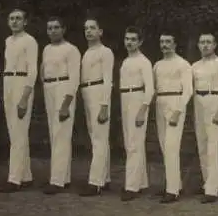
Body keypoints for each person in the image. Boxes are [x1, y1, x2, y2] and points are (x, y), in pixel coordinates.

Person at [0, 9, 39, 193]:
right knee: (14, 130)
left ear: (25, 22)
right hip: (9, 82)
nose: (15, 21)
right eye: (12, 18)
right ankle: (26, 176)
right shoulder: (8, 40)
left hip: (22, 83)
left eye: (18, 18)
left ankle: (14, 179)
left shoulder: (29, 41)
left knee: (19, 130)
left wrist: (25, 97)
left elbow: (33, 71)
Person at [40, 16, 81, 195]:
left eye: (56, 27)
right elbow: (43, 71)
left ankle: (56, 180)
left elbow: (74, 78)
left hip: (64, 88)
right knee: (54, 134)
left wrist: (66, 104)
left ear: (64, 29)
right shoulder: (47, 49)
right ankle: (64, 178)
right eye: (50, 28)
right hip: (49, 88)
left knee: (61, 133)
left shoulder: (71, 50)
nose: (53, 31)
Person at [192, 30, 218, 204]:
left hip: (215, 101)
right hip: (199, 103)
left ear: (215, 45)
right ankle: (206, 182)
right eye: (202, 42)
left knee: (214, 147)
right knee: (202, 145)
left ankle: (212, 190)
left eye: (209, 42)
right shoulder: (194, 66)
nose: (205, 45)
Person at [153, 30, 193, 203]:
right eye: (162, 42)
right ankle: (174, 184)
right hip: (160, 103)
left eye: (168, 41)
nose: (164, 45)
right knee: (164, 147)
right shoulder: (157, 65)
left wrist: (177, 111)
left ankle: (172, 191)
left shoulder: (183, 64)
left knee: (171, 146)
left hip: (175, 102)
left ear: (175, 44)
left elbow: (188, 90)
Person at [78, 17, 114, 196]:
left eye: (92, 28)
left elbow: (108, 80)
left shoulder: (105, 52)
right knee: (97, 138)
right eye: (86, 28)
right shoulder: (86, 53)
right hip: (87, 92)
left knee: (99, 138)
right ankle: (105, 178)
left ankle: (95, 182)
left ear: (100, 32)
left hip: (99, 92)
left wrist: (104, 105)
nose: (89, 31)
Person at [119, 26, 154, 202]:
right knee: (131, 143)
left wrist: (142, 110)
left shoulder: (144, 61)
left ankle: (131, 187)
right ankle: (140, 182)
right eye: (127, 39)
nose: (129, 42)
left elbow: (150, 89)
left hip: (137, 99)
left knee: (134, 143)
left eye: (133, 39)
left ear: (140, 42)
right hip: (125, 98)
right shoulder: (126, 61)